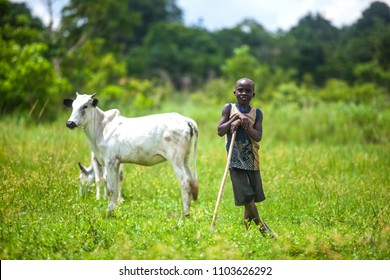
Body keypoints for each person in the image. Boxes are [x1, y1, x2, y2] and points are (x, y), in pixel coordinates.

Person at [217, 77, 272, 237]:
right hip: (234, 161)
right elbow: (220, 131)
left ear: (253, 94)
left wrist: (246, 124)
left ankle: (245, 231)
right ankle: (262, 228)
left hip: (252, 159)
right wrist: (234, 119)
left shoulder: (257, 113)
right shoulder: (229, 108)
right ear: (234, 92)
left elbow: (258, 136)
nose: (244, 93)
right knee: (246, 196)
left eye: (248, 90)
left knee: (251, 198)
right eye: (240, 90)